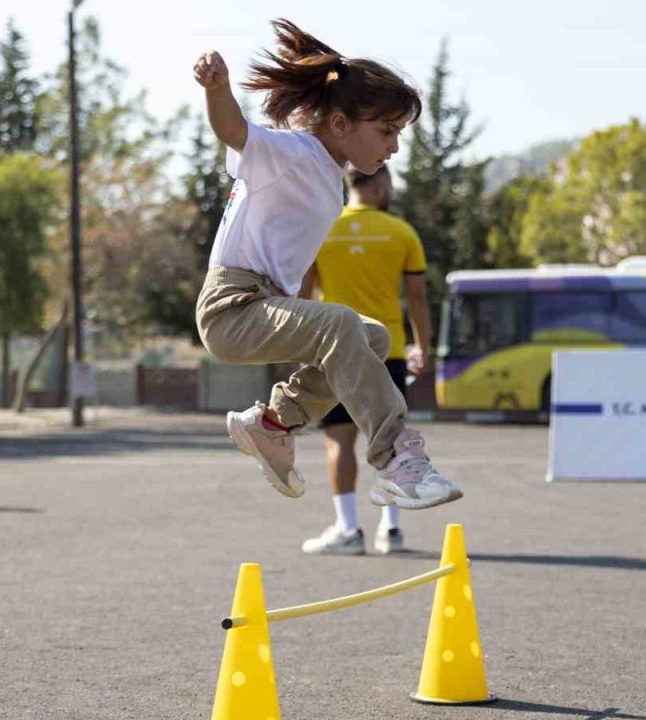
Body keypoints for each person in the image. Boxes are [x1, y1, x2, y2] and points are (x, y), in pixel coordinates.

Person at [192, 20, 462, 511]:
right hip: (231, 306)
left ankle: (273, 424)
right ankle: (397, 459)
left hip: (265, 302)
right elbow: (232, 130)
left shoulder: (329, 179)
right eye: (386, 131)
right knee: (339, 324)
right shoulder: (293, 153)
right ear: (340, 124)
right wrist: (218, 88)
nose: (394, 147)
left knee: (372, 336)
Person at [298, 166, 432, 555]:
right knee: (387, 441)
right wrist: (422, 346)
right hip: (386, 350)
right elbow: (418, 299)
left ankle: (348, 529)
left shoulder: (322, 229)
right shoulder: (402, 232)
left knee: (339, 441)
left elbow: (304, 296)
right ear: (380, 183)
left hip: (334, 350)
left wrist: (302, 350)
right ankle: (390, 530)